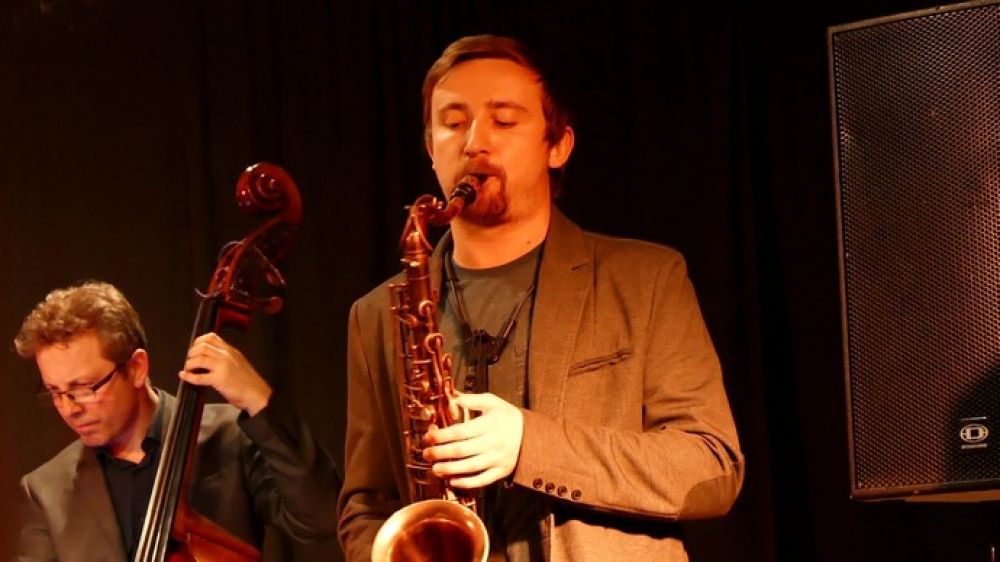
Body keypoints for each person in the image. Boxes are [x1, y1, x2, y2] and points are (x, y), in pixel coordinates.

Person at [338, 34, 744, 562]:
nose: (475, 143)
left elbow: (712, 468)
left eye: (504, 121)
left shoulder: (646, 279)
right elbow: (365, 506)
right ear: (430, 147)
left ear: (558, 146)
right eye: (454, 123)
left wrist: (528, 445)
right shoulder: (373, 315)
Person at [13, 281, 341, 561]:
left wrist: (258, 400)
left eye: (84, 388)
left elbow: (324, 517)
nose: (68, 408)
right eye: (55, 392)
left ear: (136, 368)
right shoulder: (46, 490)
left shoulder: (230, 437)